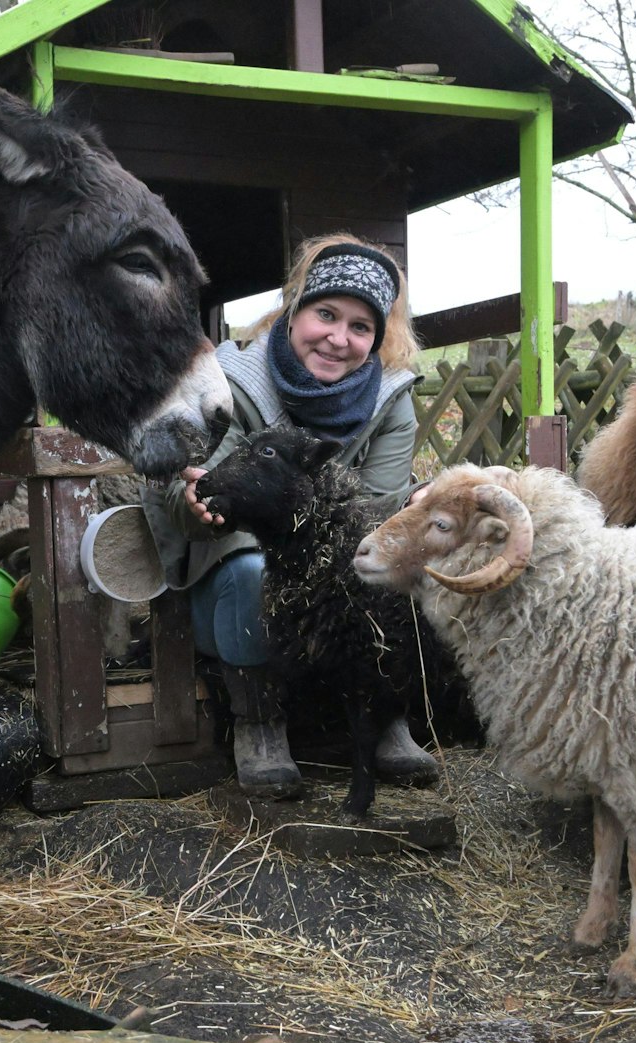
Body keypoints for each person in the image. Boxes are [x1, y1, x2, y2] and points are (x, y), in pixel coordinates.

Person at [150, 234, 441, 798]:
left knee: (398, 563)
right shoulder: (232, 383)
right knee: (250, 568)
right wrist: (193, 504)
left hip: (332, 560)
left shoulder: (390, 396)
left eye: (361, 327)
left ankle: (386, 715)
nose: (339, 338)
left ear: (378, 339)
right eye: (325, 315)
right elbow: (190, 493)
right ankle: (259, 718)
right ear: (293, 312)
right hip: (233, 564)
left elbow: (379, 504)